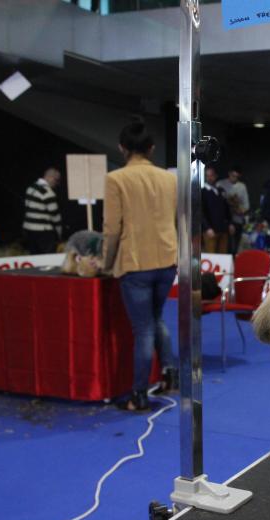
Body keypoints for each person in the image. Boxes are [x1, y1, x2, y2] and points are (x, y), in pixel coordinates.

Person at [103, 121, 178, 412]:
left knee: (144, 329)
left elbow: (111, 229)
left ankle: (139, 395)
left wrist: (107, 263)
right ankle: (170, 374)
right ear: (151, 148)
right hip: (167, 259)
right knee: (157, 319)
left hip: (135, 263)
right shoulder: (170, 179)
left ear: (122, 148)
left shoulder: (116, 179)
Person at [22, 167, 62, 254]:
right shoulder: (48, 193)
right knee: (48, 257)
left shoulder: (31, 188)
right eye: (56, 180)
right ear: (50, 178)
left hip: (28, 229)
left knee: (34, 256)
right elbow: (55, 216)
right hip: (43, 232)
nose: (56, 184)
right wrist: (59, 233)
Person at [201, 166, 235, 254]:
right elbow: (200, 213)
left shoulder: (221, 190)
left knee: (223, 255)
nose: (209, 178)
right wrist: (207, 228)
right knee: (211, 255)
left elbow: (227, 209)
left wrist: (230, 223)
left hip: (223, 228)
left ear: (216, 176)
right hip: (210, 230)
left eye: (211, 175)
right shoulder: (202, 191)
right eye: (207, 176)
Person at [217, 165, 250, 255]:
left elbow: (246, 206)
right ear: (229, 174)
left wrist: (239, 209)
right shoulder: (220, 184)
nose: (234, 178)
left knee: (235, 245)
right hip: (223, 221)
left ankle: (233, 263)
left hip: (237, 220)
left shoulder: (242, 187)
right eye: (233, 176)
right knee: (223, 245)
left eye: (237, 176)